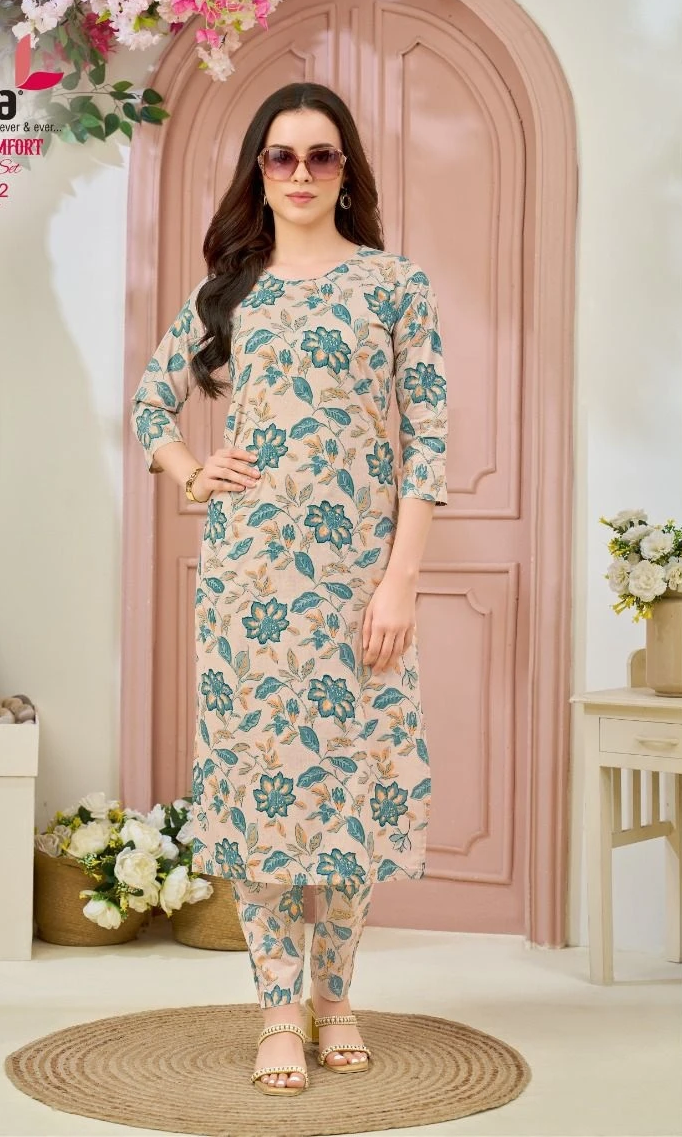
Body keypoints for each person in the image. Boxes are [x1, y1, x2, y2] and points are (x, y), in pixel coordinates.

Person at [131, 81, 448, 1097]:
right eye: (281, 156)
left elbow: (429, 443)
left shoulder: (394, 285)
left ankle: (336, 996)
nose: (301, 173)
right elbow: (148, 405)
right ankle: (276, 1006)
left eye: (320, 155)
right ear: (259, 174)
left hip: (358, 585)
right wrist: (192, 472)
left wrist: (400, 581)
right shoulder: (229, 292)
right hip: (249, 588)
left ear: (345, 170)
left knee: (348, 788)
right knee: (264, 790)